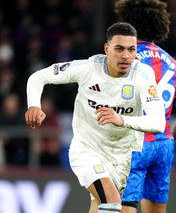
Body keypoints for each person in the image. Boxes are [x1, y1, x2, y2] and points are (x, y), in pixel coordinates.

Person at [25, 22, 166, 213]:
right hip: (87, 149)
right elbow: (38, 77)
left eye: (131, 50)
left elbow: (158, 123)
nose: (126, 56)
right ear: (107, 48)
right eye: (119, 49)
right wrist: (34, 104)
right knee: (112, 200)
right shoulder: (88, 68)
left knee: (103, 207)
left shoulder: (143, 75)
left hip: (121, 156)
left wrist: (121, 120)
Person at [114, 0, 176, 213]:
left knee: (125, 206)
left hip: (134, 142)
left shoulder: (124, 58)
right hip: (163, 144)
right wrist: (168, 138)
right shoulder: (174, 64)